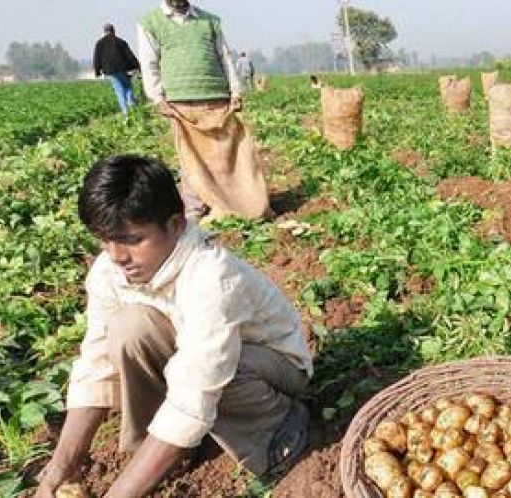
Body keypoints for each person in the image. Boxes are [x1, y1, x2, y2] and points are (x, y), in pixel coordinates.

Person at [34, 155, 312, 498]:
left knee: (221, 369)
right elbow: (96, 366)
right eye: (105, 239)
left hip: (274, 366)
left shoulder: (211, 276)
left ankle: (276, 438)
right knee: (129, 327)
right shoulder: (111, 270)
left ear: (176, 224)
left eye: (133, 239)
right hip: (197, 357)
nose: (117, 254)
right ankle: (167, 452)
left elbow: (199, 383)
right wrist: (62, 466)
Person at [137, 0, 272, 221]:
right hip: (180, 100)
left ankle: (232, 200)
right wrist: (157, 97)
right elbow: (149, 62)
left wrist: (235, 91)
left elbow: (225, 57)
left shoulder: (209, 21)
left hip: (216, 96)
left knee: (224, 153)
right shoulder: (150, 22)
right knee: (190, 157)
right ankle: (194, 207)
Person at [93, 23, 141, 117]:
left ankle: (125, 112)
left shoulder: (99, 43)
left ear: (104, 32)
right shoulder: (121, 42)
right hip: (122, 69)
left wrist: (97, 72)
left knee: (119, 90)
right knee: (128, 87)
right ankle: (131, 105)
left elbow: (96, 58)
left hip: (110, 71)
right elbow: (130, 56)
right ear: (114, 31)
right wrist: (137, 66)